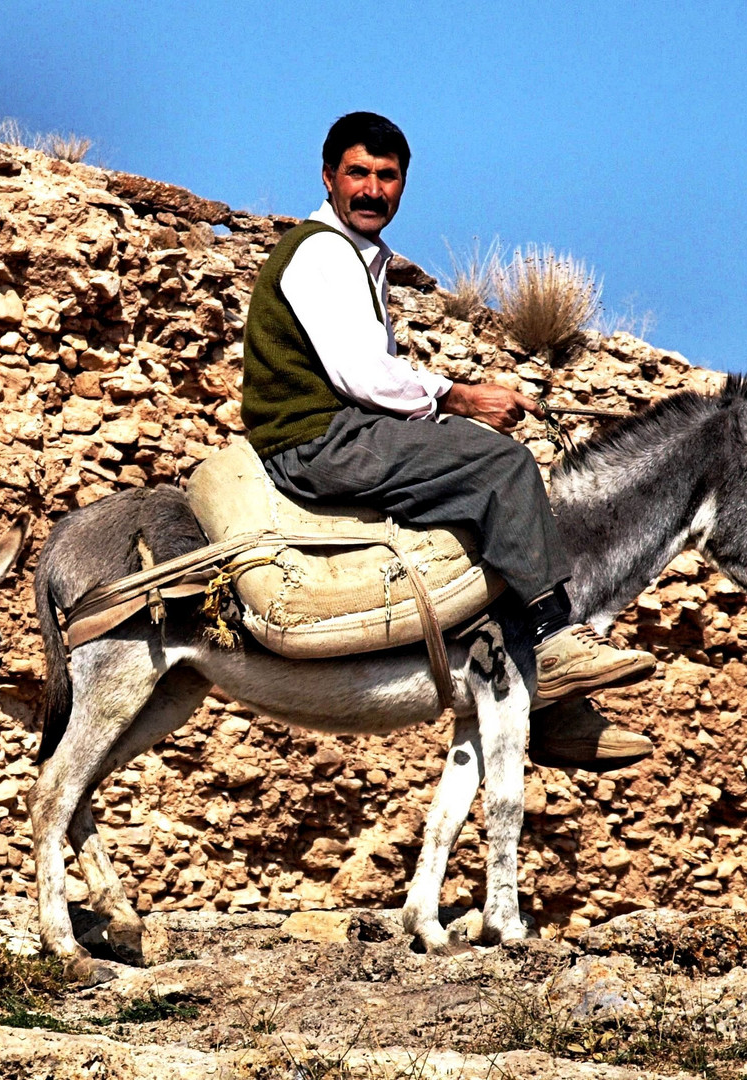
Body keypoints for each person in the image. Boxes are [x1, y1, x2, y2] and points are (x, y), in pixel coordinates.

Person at [239, 111, 655, 770]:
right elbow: (362, 375)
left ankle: (545, 707)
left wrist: (447, 412)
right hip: (319, 438)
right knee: (502, 467)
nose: (372, 189)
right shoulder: (320, 251)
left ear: (402, 184)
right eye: (358, 174)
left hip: (341, 428)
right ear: (327, 178)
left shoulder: (354, 254)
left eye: (386, 176)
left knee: (469, 461)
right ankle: (550, 643)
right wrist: (458, 397)